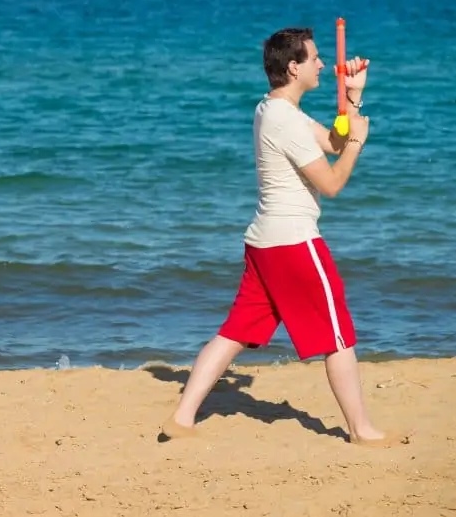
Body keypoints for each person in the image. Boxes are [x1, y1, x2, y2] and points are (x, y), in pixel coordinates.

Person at [159, 27, 403, 447]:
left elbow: (329, 140)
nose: (323, 64)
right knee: (338, 333)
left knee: (235, 331)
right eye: (315, 58)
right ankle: (361, 430)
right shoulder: (284, 119)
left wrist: (353, 96)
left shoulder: (272, 108)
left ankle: (182, 418)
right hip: (293, 241)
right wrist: (358, 145)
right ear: (294, 67)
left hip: (263, 242)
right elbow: (331, 182)